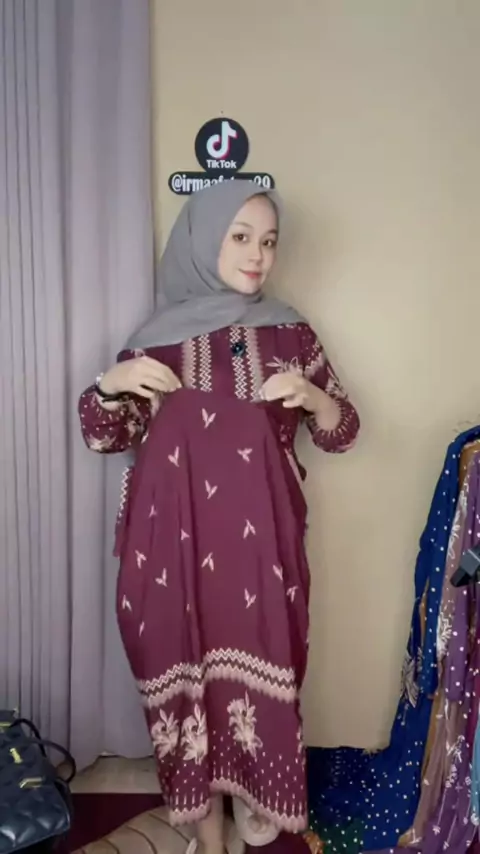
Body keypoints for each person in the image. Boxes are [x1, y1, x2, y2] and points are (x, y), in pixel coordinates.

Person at [78, 181, 360, 854]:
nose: (257, 256)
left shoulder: (291, 334)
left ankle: (255, 800)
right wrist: (108, 386)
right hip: (170, 554)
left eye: (268, 241)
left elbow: (342, 431)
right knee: (183, 671)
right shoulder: (154, 343)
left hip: (263, 553)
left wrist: (315, 397)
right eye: (240, 238)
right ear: (203, 241)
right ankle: (206, 828)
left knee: (265, 668)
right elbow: (105, 437)